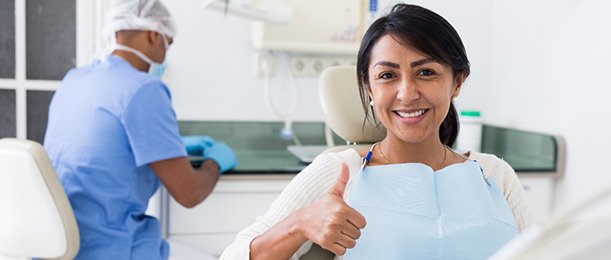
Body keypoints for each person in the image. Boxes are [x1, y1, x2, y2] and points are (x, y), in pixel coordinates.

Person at [220, 3, 531, 260]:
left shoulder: (495, 176)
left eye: (426, 72)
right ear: (369, 87)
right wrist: (299, 224)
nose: (407, 94)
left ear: (457, 82)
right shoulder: (340, 172)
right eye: (387, 75)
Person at [43, 0, 237, 259]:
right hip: (111, 247)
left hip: (58, 246)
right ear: (154, 34)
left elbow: (104, 146)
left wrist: (174, 145)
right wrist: (215, 162)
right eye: (168, 44)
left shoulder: (76, 79)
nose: (166, 55)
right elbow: (190, 193)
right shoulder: (145, 89)